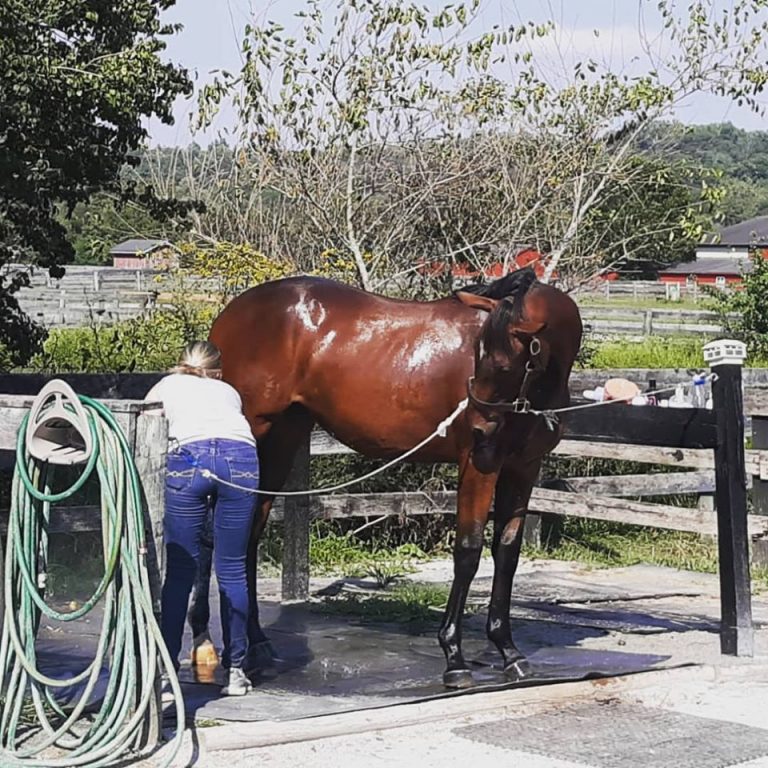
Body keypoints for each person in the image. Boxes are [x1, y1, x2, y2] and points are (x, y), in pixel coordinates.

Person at [145, 341, 259, 696]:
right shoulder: (229, 391)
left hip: (188, 458)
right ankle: (237, 670)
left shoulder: (165, 386)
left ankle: (165, 670)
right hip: (240, 460)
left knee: (180, 570)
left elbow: (147, 430)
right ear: (218, 372)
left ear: (180, 364)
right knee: (233, 568)